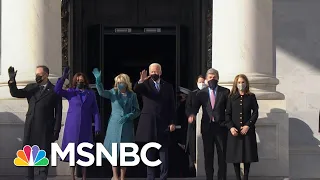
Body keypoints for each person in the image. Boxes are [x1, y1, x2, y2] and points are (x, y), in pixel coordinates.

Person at [8, 66, 62, 180]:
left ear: (46, 75)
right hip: (31, 128)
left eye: (39, 75)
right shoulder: (31, 87)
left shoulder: (54, 90)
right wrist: (12, 81)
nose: (37, 77)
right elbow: (16, 93)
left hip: (45, 129)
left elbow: (58, 113)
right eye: (36, 74)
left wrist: (56, 131)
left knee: (43, 160)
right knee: (29, 160)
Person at [92, 68, 140, 180]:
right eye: (118, 83)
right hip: (114, 125)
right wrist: (98, 81)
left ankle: (123, 176)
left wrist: (129, 116)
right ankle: (115, 176)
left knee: (125, 152)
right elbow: (101, 92)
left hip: (127, 126)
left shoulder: (132, 95)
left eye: (121, 82)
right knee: (113, 151)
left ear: (126, 83)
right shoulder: (113, 93)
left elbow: (137, 110)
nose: (119, 85)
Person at [54, 67, 101, 180]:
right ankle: (73, 176)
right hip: (72, 126)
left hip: (85, 126)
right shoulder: (71, 92)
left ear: (85, 81)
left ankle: (84, 176)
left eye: (82, 80)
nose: (80, 82)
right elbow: (57, 90)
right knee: (72, 151)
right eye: (78, 80)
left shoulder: (91, 94)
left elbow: (95, 111)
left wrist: (97, 126)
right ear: (75, 81)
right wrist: (63, 77)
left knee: (85, 151)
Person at [134, 63, 176, 180]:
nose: (154, 73)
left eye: (156, 71)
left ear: (160, 72)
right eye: (151, 71)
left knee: (163, 154)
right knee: (150, 153)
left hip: (163, 123)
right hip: (149, 124)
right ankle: (150, 177)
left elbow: (172, 106)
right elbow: (136, 89)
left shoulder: (167, 86)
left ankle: (163, 177)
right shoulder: (145, 84)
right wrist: (141, 81)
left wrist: (172, 121)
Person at [188, 68, 229, 180]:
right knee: (208, 155)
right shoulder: (201, 93)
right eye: (210, 77)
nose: (212, 79)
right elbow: (195, 106)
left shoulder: (225, 92)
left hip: (221, 127)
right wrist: (192, 115)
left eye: (214, 77)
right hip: (207, 128)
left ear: (218, 78)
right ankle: (209, 177)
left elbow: (229, 109)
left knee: (222, 156)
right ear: (206, 79)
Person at [225, 74, 259, 180]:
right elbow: (227, 114)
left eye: (243, 82)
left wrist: (248, 125)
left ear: (246, 83)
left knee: (247, 155)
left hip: (247, 130)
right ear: (236, 84)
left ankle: (246, 177)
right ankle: (237, 178)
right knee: (236, 155)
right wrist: (230, 127)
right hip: (235, 130)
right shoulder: (231, 97)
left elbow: (255, 112)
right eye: (239, 82)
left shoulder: (251, 96)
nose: (241, 84)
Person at [185, 75, 206, 174]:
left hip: (206, 123)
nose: (202, 84)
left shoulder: (208, 94)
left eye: (203, 81)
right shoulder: (192, 94)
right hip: (193, 124)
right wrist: (190, 115)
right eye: (200, 82)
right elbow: (188, 107)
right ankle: (191, 166)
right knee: (192, 144)